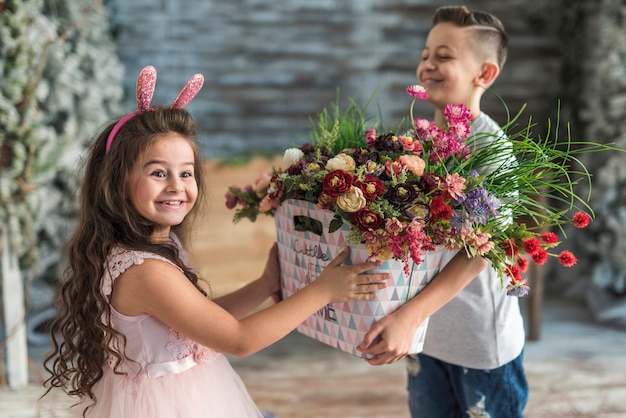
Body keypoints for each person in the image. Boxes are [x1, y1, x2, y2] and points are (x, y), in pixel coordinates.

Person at [42, 65, 389, 418]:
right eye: (158, 173)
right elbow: (238, 339)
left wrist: (265, 284)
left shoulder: (154, 249)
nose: (176, 186)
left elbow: (200, 324)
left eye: (186, 172)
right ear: (117, 182)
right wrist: (323, 292)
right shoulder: (145, 271)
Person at [357, 6, 528, 418]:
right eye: (425, 54)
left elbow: (478, 255)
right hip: (424, 334)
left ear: (484, 74)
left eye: (444, 56)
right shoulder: (416, 141)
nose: (427, 65)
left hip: (476, 342)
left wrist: (409, 317)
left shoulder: (493, 151)